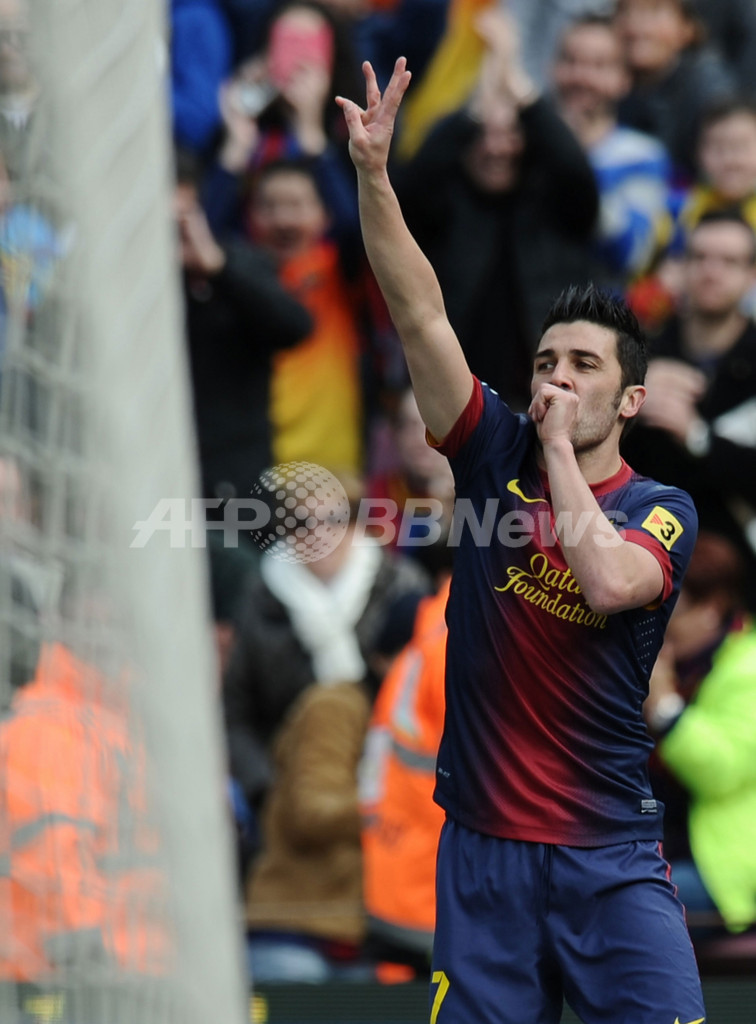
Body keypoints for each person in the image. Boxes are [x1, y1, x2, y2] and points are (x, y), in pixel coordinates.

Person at [336, 57, 703, 1023]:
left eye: (584, 364)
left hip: (608, 853)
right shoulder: (489, 448)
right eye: (546, 362)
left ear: (630, 399)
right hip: (484, 854)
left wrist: (559, 451)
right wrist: (375, 177)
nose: (557, 378)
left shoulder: (661, 506)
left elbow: (611, 582)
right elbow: (419, 312)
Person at [393, 8, 603, 411]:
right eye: (483, 136)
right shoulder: (445, 208)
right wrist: (474, 111)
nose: (496, 148)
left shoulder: (554, 207)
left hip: (545, 400)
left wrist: (518, 86)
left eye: (510, 135)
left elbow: (576, 173)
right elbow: (411, 185)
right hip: (459, 403)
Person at [623, 211, 756, 609]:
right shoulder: (638, 352)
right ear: (681, 267)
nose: (711, 272)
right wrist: (630, 401)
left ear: (751, 275)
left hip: (736, 574)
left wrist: (697, 436)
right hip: (638, 552)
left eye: (728, 261)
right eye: (700, 257)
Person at [644, 532, 756, 937]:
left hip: (725, 863)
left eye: (672, 609)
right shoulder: (685, 664)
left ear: (711, 609)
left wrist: (665, 709)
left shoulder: (747, 667)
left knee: (629, 907)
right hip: (664, 846)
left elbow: (721, 771)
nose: (660, 622)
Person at [551, 14, 671, 280]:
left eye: (599, 65)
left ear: (624, 80)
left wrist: (569, 154)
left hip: (595, 299)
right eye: (570, 61)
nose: (581, 76)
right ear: (551, 68)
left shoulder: (641, 155)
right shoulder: (521, 143)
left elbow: (633, 254)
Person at [614, 0, 735, 183]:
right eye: (625, 11)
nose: (635, 26)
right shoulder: (604, 81)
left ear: (688, 28)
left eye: (654, 12)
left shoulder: (710, 92)